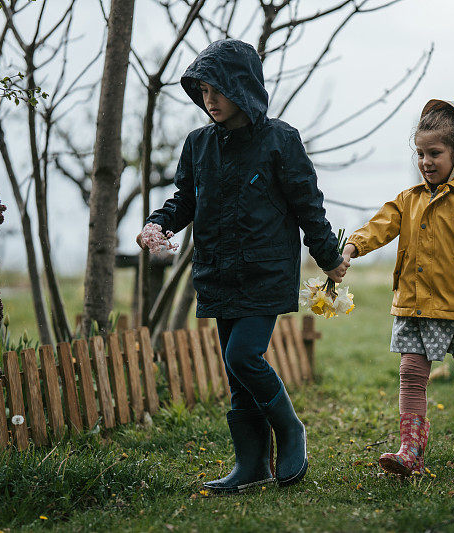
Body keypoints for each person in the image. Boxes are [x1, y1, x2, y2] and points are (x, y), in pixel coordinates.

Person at [137, 39, 348, 492]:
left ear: (242, 86)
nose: (208, 100)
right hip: (217, 272)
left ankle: (290, 429)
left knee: (243, 355)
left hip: (265, 271)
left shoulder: (280, 140)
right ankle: (252, 467)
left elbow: (307, 205)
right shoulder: (198, 145)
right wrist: (158, 225)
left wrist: (329, 257)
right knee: (236, 375)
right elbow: (184, 201)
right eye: (202, 91)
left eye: (217, 89)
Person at [342, 100, 454, 476]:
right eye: (420, 153)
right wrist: (353, 246)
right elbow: (380, 226)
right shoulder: (409, 199)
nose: (426, 162)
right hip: (414, 306)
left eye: (435, 153)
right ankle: (410, 452)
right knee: (411, 373)